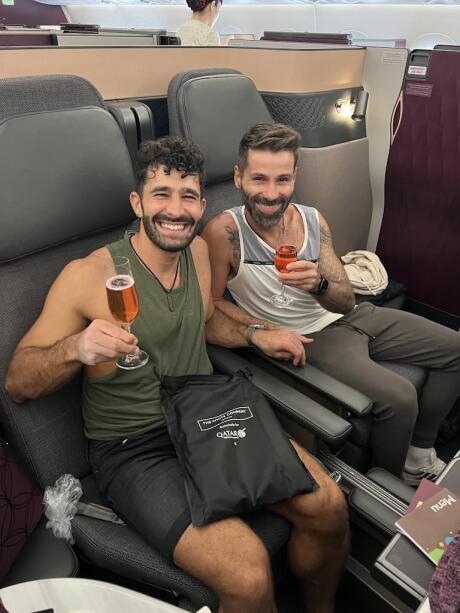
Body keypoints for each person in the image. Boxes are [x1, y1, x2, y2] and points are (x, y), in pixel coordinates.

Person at [5, 136, 348, 613]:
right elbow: (18, 383)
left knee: (329, 507)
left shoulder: (200, 253)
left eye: (188, 196)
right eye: (161, 194)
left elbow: (206, 317)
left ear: (202, 203)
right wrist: (75, 348)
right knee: (247, 575)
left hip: (206, 411)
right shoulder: (88, 274)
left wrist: (255, 333)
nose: (176, 209)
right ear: (137, 202)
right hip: (134, 448)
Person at [202, 122, 460, 484]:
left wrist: (318, 283)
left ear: (295, 176)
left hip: (354, 316)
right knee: (400, 398)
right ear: (238, 177)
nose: (271, 193)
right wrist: (261, 330)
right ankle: (383, 492)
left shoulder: (312, 220)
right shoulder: (222, 233)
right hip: (313, 339)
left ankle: (420, 452)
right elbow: (211, 304)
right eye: (259, 179)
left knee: (456, 347)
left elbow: (345, 300)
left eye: (282, 180)